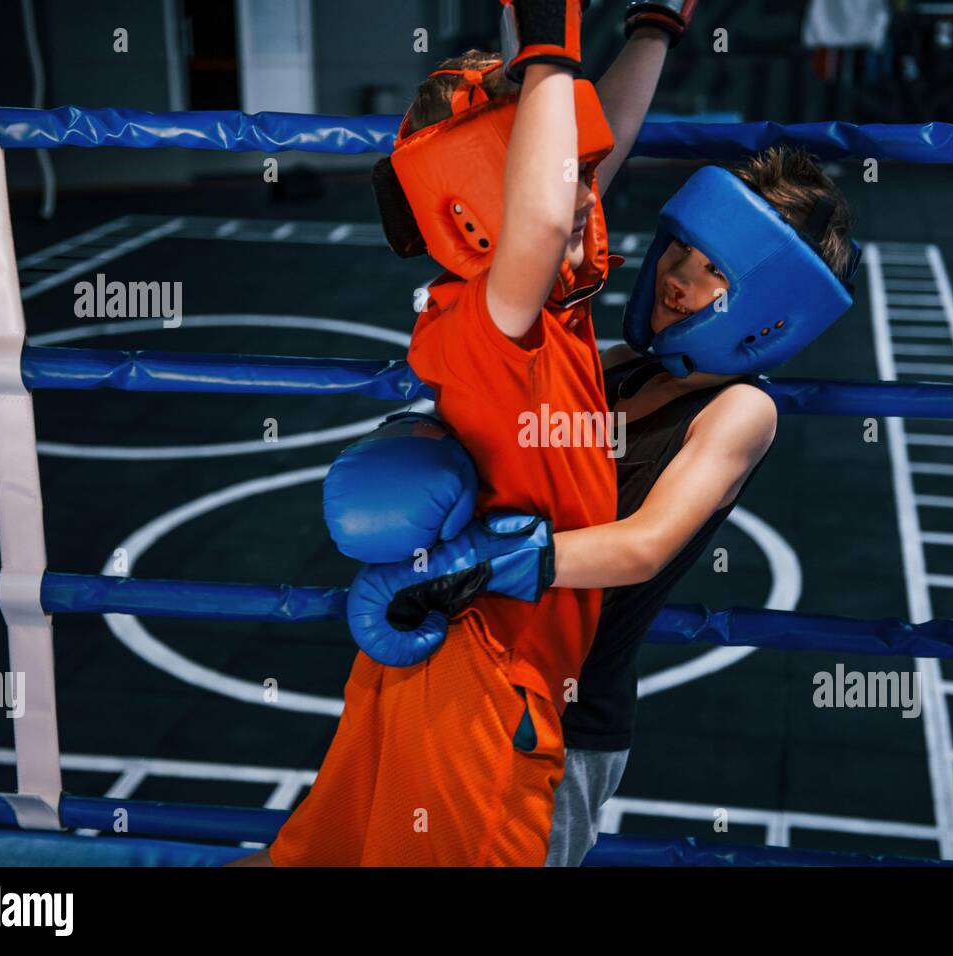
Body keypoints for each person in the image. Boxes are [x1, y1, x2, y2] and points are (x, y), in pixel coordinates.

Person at [232, 0, 690, 866]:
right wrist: (552, 38)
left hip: (463, 663)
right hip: (484, 688)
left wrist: (653, 28)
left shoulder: (546, 307)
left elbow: (584, 168)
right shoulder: (496, 319)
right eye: (554, 172)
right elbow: (548, 214)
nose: (583, 189)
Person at [342, 146, 860, 866]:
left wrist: (485, 561)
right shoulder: (616, 365)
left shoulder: (740, 411)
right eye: (684, 248)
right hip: (475, 670)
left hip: (567, 718)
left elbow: (644, 545)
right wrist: (424, 439)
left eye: (716, 272)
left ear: (771, 314)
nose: (679, 278)